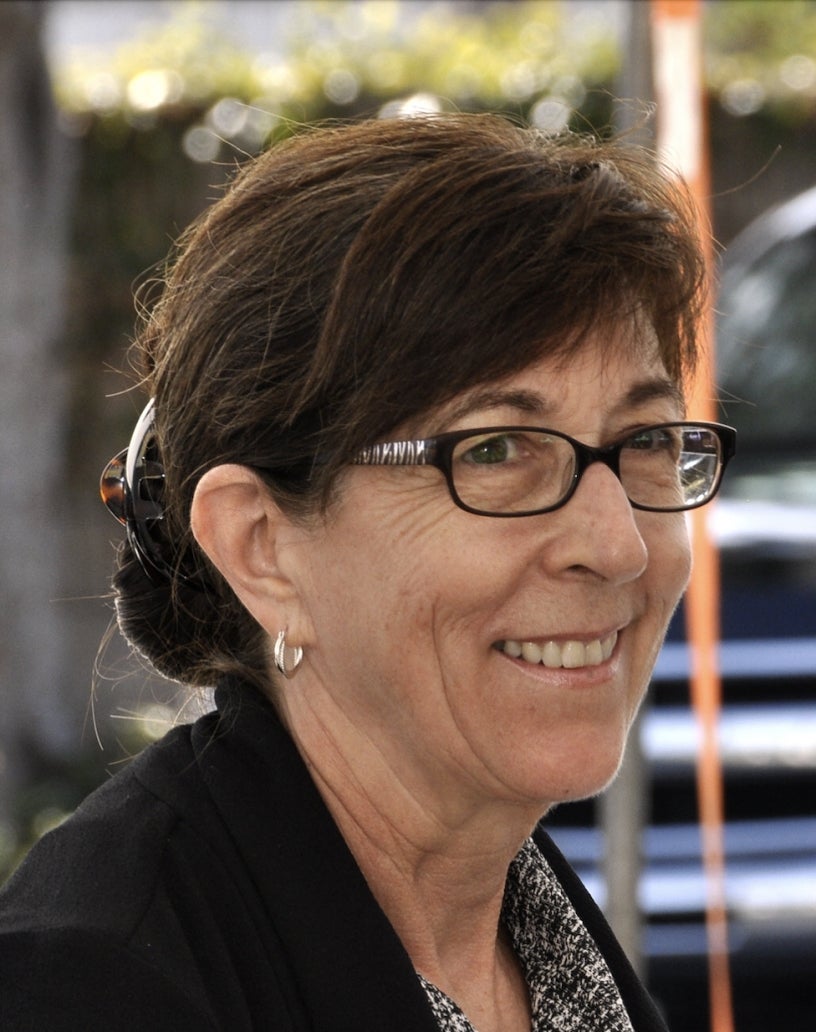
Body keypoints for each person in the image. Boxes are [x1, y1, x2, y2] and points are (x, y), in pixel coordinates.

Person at [0, 113, 735, 1031]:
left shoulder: (533, 936)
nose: (618, 543)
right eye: (497, 450)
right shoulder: (94, 983)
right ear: (262, 547)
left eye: (649, 441)